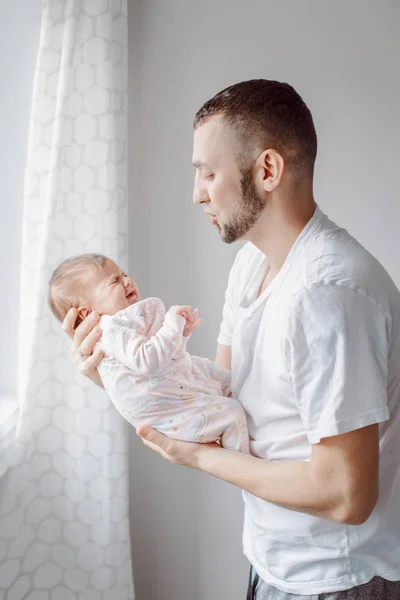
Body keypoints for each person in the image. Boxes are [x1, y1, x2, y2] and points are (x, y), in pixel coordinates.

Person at [63, 80, 400, 599]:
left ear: (267, 170)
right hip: (271, 560)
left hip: (334, 580)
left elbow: (346, 494)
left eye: (207, 171)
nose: (196, 191)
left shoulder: (329, 294)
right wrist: (119, 376)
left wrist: (192, 457)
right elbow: (218, 399)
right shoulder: (251, 265)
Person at [49, 253, 249, 453]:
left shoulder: (123, 325)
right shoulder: (112, 329)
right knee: (231, 412)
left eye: (124, 274)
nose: (128, 281)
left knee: (212, 372)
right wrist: (172, 327)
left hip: (167, 383)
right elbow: (148, 361)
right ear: (86, 313)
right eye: (115, 281)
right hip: (166, 406)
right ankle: (244, 463)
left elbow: (168, 356)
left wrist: (181, 334)